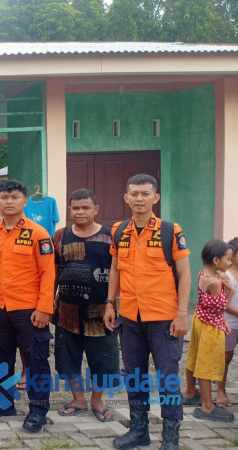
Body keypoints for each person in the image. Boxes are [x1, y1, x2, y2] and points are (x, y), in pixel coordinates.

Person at [104, 174, 191, 450]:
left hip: (164, 318)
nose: (139, 198)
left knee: (167, 379)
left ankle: (170, 438)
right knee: (135, 376)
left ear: (156, 198)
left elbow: (185, 274)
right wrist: (110, 303)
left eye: (145, 194)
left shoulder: (169, 231)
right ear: (126, 198)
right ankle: (139, 430)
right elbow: (115, 269)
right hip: (129, 318)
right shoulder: (119, 230)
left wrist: (181, 314)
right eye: (134, 194)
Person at [0, 179, 55, 433]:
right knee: (0, 357)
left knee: (36, 359)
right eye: (4, 197)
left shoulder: (38, 233)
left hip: (30, 309)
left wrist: (44, 308)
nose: (8, 201)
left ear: (25, 201)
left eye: (14, 197)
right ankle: (4, 404)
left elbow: (47, 273)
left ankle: (38, 410)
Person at [52, 189, 119, 422]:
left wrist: (112, 304)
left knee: (102, 359)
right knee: (68, 358)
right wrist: (49, 300)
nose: (80, 212)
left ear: (96, 209)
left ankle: (97, 401)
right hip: (67, 312)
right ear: (69, 209)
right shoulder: (60, 236)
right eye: (75, 208)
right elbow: (54, 270)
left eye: (85, 208)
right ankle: (78, 398)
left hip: (101, 311)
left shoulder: (111, 237)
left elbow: (118, 272)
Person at [182, 240, 234, 422]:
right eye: (228, 259)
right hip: (211, 327)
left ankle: (190, 392)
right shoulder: (215, 283)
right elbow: (221, 309)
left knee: (195, 357)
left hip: (200, 319)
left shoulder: (203, 274)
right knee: (206, 364)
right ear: (216, 260)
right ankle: (207, 406)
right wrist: (231, 290)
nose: (230, 262)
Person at [219, 238, 238, 407]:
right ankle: (220, 391)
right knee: (225, 357)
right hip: (229, 322)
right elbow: (222, 303)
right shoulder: (226, 275)